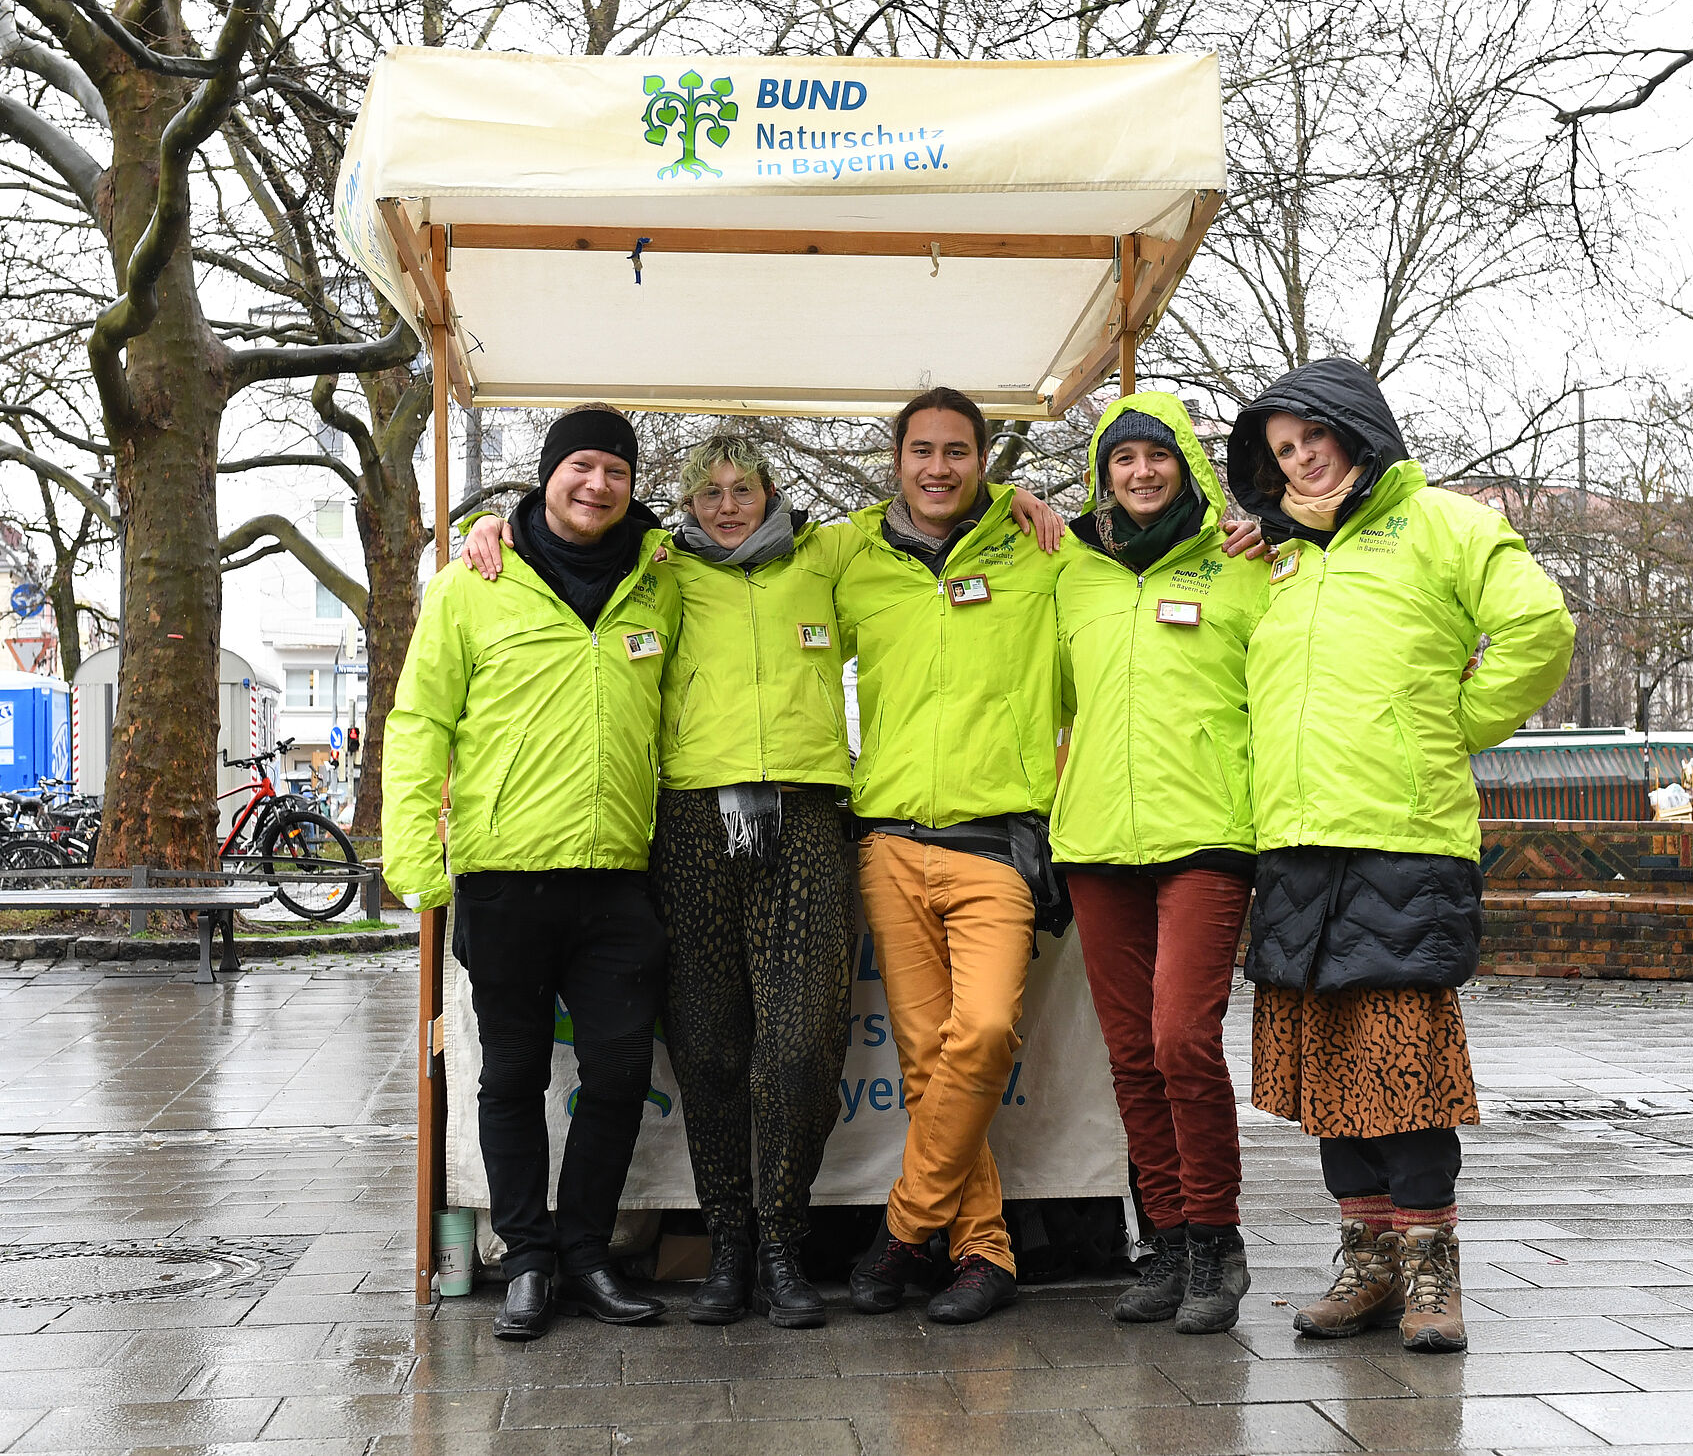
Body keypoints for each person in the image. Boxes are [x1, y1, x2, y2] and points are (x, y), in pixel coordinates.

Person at [461, 433, 1065, 1329]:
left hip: (812, 818)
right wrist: (487, 527)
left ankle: (783, 1242)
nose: (728, 505)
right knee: (706, 1050)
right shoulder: (656, 567)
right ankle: (729, 1247)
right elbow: (560, 538)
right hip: (694, 825)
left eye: (744, 488)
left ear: (773, 491)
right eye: (708, 491)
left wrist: (1018, 496)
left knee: (800, 1048)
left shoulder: (831, 554)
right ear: (685, 501)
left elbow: (937, 508)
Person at [1225, 358, 1572, 1354]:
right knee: (1333, 1068)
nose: (1302, 459)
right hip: (1294, 842)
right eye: (1282, 451)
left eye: (1314, 438)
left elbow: (1539, 627)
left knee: (1403, 1064)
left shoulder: (1444, 525)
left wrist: (1451, 723)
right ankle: (1368, 1262)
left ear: (1356, 429)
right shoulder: (1271, 560)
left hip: (1401, 839)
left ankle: (1431, 1273)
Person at [383, 405, 682, 1343]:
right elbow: (419, 722)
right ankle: (526, 1257)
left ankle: (588, 1252)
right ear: (545, 475)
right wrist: (412, 857)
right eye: (579, 467)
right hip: (505, 876)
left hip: (616, 878)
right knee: (509, 1075)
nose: (597, 486)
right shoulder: (474, 581)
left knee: (622, 1074)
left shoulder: (660, 581)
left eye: (615, 472)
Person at [834, 386, 1069, 1326]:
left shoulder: (1039, 552)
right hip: (889, 843)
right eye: (922, 450)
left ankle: (902, 1230)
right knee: (930, 1060)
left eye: (957, 452)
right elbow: (723, 559)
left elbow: (1160, 534)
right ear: (896, 458)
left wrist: (1246, 531)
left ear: (984, 462)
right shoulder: (847, 555)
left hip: (996, 846)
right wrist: (507, 536)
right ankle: (984, 1253)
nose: (938, 468)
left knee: (980, 1036)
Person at [1050, 391, 1270, 1334]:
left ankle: (1219, 1242)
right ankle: (1167, 1243)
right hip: (1097, 840)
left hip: (1207, 833)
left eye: (1159, 457)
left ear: (1187, 465)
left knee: (1183, 1038)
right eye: (1122, 460)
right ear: (1104, 473)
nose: (1140, 474)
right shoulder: (1073, 575)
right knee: (1132, 1053)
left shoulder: (1244, 566)